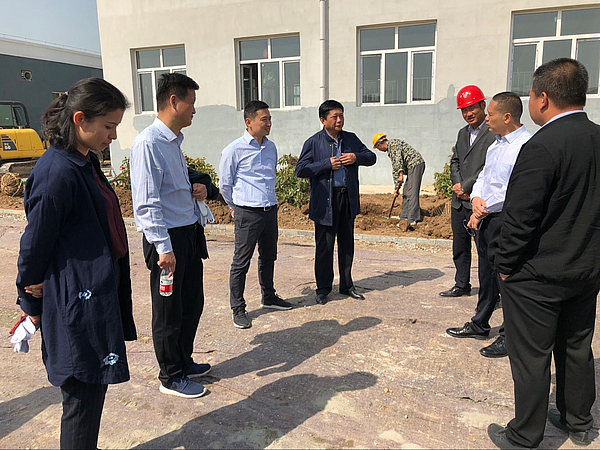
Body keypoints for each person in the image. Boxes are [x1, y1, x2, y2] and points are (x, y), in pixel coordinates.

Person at [16, 77, 137, 449]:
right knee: (81, 397)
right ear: (80, 119)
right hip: (75, 302)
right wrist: (31, 302)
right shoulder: (57, 173)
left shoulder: (85, 161)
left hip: (94, 293)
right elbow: (34, 246)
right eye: (109, 126)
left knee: (92, 390)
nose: (113, 136)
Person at [486, 58, 600, 449]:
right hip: (585, 270)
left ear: (543, 98)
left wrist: (504, 266)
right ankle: (578, 421)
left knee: (532, 356)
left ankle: (524, 435)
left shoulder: (541, 146)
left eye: (532, 95)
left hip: (537, 276)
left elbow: (520, 217)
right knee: (577, 347)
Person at [130, 73, 218, 399]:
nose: (194, 110)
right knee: (168, 311)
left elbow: (174, 188)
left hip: (188, 234)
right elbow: (147, 203)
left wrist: (200, 187)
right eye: (191, 103)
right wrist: (164, 248)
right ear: (173, 101)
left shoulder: (173, 143)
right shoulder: (149, 144)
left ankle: (184, 360)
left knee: (192, 303)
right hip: (167, 240)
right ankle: (170, 375)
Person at [446, 92, 532, 359]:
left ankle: (509, 335)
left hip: (507, 219)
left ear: (506, 117)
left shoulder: (526, 146)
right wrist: (476, 200)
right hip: (487, 218)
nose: (486, 119)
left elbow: (513, 188)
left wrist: (482, 208)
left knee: (508, 281)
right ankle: (480, 323)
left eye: (490, 114)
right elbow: (485, 176)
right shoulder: (496, 144)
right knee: (486, 275)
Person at [219, 100, 292, 330]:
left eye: (270, 119)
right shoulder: (234, 150)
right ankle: (238, 308)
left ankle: (268, 296)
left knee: (269, 256)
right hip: (247, 213)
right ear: (248, 122)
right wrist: (236, 207)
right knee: (241, 262)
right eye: (264, 119)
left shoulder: (271, 147)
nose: (269, 123)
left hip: (270, 211)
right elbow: (225, 185)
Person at [296, 100, 376, 304]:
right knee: (325, 246)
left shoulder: (351, 139)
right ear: (323, 120)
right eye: (335, 117)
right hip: (325, 202)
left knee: (347, 244)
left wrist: (356, 157)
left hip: (347, 198)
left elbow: (371, 157)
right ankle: (323, 288)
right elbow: (301, 169)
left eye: (341, 116)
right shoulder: (313, 142)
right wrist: (325, 164)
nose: (339, 120)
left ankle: (347, 285)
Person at [439, 85, 496, 298]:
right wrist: (457, 184)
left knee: (484, 249)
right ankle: (462, 284)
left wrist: (467, 186)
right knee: (460, 246)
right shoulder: (463, 133)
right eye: (464, 110)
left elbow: (489, 166)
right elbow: (455, 161)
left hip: (480, 201)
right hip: (459, 201)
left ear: (483, 105)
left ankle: (490, 293)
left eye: (472, 108)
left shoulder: (493, 133)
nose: (468, 113)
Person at [372, 133, 425, 224]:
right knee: (406, 191)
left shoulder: (393, 145)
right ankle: (404, 216)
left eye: (378, 148)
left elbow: (398, 160)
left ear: (379, 145)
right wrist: (396, 188)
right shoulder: (391, 148)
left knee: (412, 192)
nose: (380, 150)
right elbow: (395, 167)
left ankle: (413, 218)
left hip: (415, 164)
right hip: (411, 167)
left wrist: (401, 174)